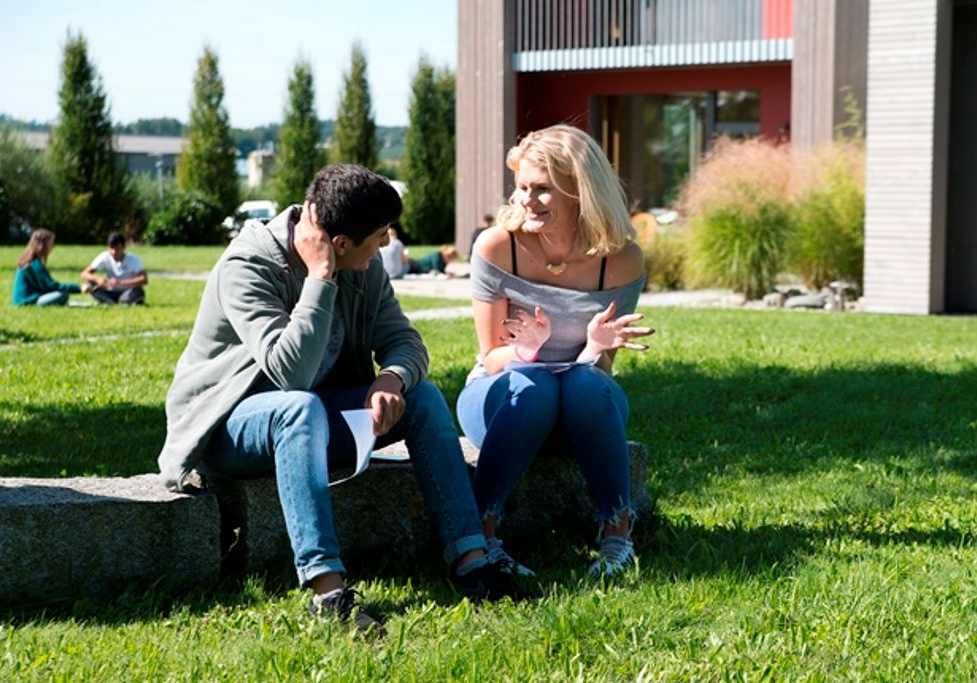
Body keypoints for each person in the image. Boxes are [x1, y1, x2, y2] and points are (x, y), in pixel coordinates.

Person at [157, 164, 522, 635]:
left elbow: (405, 341)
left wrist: (391, 377)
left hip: (315, 420)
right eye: (380, 234)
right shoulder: (248, 266)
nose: (388, 243)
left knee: (424, 398)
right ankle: (327, 592)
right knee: (298, 408)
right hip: (226, 428)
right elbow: (291, 374)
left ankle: (472, 561)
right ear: (341, 244)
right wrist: (320, 279)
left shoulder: (362, 265)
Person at [456, 124, 654, 578]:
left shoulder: (620, 259)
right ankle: (481, 538)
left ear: (580, 191)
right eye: (522, 187)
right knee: (536, 384)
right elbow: (490, 358)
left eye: (542, 189)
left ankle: (617, 536)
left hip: (581, 408)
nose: (526, 199)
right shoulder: (497, 246)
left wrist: (595, 347)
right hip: (505, 399)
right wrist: (526, 351)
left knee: (586, 384)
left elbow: (600, 368)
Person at [12, 229, 82, 306]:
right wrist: (79, 288)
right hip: (28, 301)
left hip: (22, 300)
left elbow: (44, 287)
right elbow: (52, 286)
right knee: (63, 294)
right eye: (51, 244)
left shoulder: (29, 261)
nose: (53, 247)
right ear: (42, 246)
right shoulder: (35, 264)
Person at [81, 232, 148, 305]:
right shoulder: (105, 257)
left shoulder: (133, 259)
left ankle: (113, 301)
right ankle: (110, 301)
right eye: (111, 248)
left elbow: (144, 279)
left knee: (132, 294)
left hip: (128, 290)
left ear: (123, 247)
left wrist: (121, 282)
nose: (113, 252)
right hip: (110, 290)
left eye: (117, 249)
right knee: (90, 284)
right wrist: (97, 279)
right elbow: (85, 273)